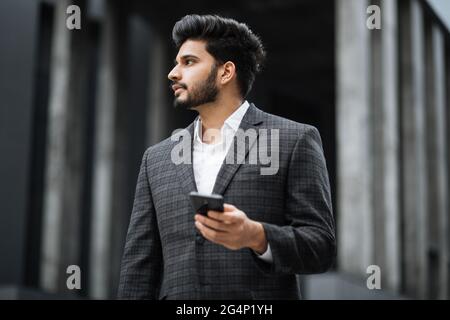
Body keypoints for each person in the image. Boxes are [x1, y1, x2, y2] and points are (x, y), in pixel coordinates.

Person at [118, 14, 335, 300]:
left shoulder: (294, 139)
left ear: (225, 72)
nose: (173, 73)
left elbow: (320, 248)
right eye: (176, 62)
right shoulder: (156, 159)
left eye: (189, 62)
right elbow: (138, 270)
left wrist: (257, 236)